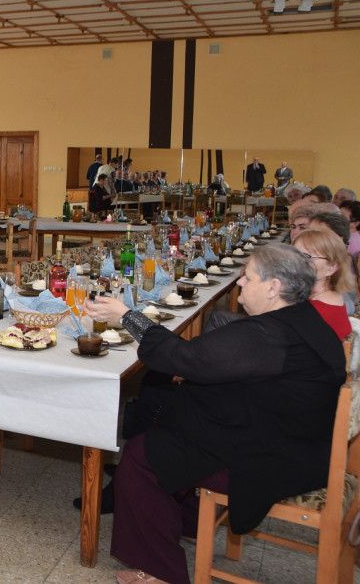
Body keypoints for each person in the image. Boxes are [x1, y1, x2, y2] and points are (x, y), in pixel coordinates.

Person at [84, 244, 344, 584]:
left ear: (273, 287)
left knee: (142, 454)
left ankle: (160, 571)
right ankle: (189, 524)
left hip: (273, 459)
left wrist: (127, 316)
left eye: (247, 277)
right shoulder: (303, 318)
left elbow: (185, 357)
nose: (239, 283)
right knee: (175, 413)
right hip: (298, 440)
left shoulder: (269, 334)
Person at [292, 229, 354, 340]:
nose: (295, 262)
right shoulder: (329, 296)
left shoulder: (316, 311)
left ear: (331, 268)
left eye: (307, 257)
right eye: (294, 254)